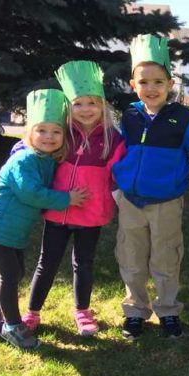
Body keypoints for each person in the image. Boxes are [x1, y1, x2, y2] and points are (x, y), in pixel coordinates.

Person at [0, 89, 87, 349]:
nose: (49, 137)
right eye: (41, 130)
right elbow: (31, 193)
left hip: (10, 230)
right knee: (10, 275)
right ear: (30, 132)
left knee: (12, 274)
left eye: (56, 132)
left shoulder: (46, 159)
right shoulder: (24, 159)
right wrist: (66, 199)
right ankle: (12, 326)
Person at [20, 61, 125, 336]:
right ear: (69, 106)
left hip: (92, 213)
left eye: (92, 103)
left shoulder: (113, 138)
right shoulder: (61, 131)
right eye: (78, 104)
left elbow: (120, 171)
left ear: (102, 105)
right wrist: (18, 153)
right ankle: (32, 312)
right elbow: (31, 141)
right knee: (48, 262)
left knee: (84, 262)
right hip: (57, 210)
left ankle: (82, 311)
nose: (86, 109)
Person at [112, 34, 189, 340]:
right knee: (132, 257)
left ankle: (168, 311)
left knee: (166, 257)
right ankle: (136, 311)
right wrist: (119, 184)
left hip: (166, 201)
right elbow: (119, 149)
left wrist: (179, 179)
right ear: (133, 85)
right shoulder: (129, 116)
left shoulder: (184, 117)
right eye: (144, 82)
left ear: (170, 84)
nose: (151, 88)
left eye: (158, 82)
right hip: (130, 201)